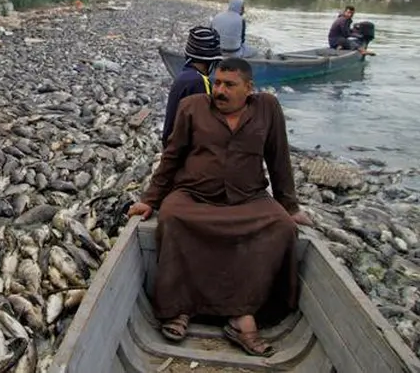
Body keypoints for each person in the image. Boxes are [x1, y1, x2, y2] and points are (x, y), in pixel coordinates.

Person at [128, 57, 313, 358]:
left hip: (248, 198)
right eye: (217, 83)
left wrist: (289, 205)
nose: (220, 90)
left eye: (230, 85)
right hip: (194, 194)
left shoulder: (267, 108)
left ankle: (242, 316)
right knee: (173, 218)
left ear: (248, 88)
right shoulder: (192, 108)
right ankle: (181, 308)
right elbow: (172, 157)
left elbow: (279, 159)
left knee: (281, 227)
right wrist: (150, 200)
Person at [161, 26, 223, 149]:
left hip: (170, 145)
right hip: (182, 153)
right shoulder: (200, 82)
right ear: (211, 61)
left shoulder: (184, 76)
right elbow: (206, 125)